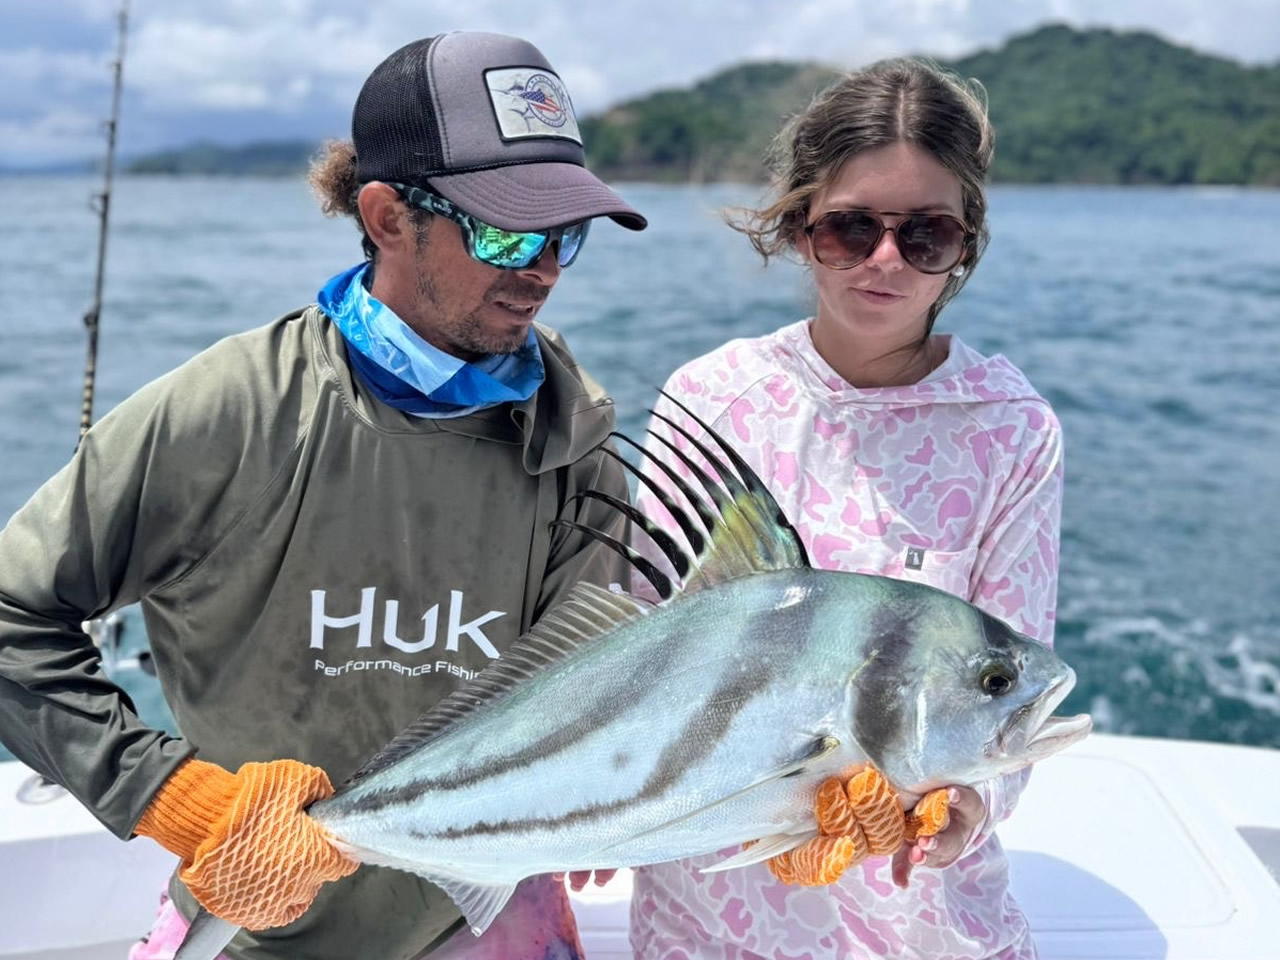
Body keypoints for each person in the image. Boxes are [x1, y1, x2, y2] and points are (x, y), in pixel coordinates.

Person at [0, 31, 646, 960]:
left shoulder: (577, 441)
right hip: (250, 922)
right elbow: (15, 614)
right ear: (388, 217)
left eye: (565, 236)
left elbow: (589, 701)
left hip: (487, 918)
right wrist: (177, 800)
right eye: (506, 231)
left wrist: (795, 789)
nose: (540, 269)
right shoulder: (231, 411)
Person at [628, 58, 1063, 959]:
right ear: (798, 230)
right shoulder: (712, 398)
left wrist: (968, 812)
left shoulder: (1012, 429)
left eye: (927, 235)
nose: (885, 260)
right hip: (709, 917)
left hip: (920, 923)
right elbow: (639, 650)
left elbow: (1006, 695)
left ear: (965, 245)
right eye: (851, 229)